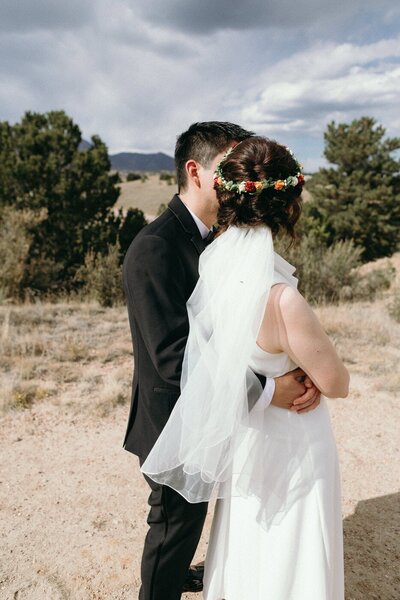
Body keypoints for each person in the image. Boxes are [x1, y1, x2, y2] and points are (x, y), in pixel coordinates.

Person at [141, 136, 349, 599]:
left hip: (250, 432)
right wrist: (304, 376)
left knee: (252, 542)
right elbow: (338, 383)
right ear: (289, 207)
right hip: (292, 437)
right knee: (292, 547)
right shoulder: (282, 298)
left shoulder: (212, 270)